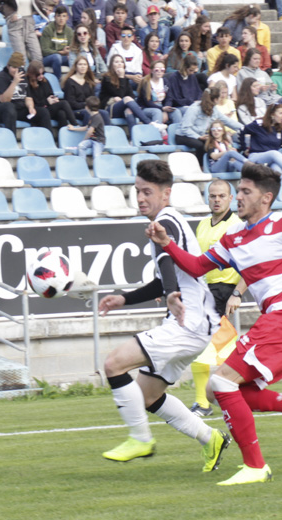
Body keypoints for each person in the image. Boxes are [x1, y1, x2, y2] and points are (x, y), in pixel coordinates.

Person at [145, 162, 282, 485]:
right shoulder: (235, 235)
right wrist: (168, 243)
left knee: (223, 383)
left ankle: (255, 466)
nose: (237, 196)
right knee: (215, 389)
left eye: (244, 191)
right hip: (276, 321)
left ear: (266, 198)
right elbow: (197, 267)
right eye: (238, 190)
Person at [97, 159, 233, 471]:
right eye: (137, 191)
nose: (141, 197)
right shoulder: (169, 223)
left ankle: (140, 439)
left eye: (147, 191)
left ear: (165, 194)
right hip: (194, 323)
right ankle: (211, 439)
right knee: (147, 395)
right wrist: (125, 298)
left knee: (113, 364)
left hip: (188, 322)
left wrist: (172, 294)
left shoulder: (165, 223)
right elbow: (163, 274)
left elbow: (166, 262)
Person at [188, 179, 246, 416]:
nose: (217, 200)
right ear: (207, 198)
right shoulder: (202, 225)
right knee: (208, 347)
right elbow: (193, 261)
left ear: (231, 198)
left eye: (222, 196)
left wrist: (237, 293)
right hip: (204, 290)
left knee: (203, 346)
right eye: (213, 196)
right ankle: (221, 396)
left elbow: (250, 264)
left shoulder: (237, 226)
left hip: (224, 291)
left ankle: (205, 402)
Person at [0, 52, 52, 132]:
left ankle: (48, 140)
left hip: (18, 109)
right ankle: (11, 140)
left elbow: (28, 97)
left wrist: (31, 107)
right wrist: (14, 82)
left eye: (19, 68)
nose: (16, 71)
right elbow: (4, 100)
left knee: (43, 112)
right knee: (9, 106)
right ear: (8, 66)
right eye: (14, 67)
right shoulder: (0, 78)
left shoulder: (23, 76)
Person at [176, 84, 243, 160]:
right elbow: (185, 128)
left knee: (212, 141)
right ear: (216, 99)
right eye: (219, 97)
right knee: (201, 145)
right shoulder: (194, 109)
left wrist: (245, 128)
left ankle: (214, 161)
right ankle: (201, 166)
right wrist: (198, 137)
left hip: (200, 135)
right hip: (183, 135)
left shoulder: (214, 109)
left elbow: (227, 121)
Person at [100, 54, 154, 126]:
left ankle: (133, 135)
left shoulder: (125, 79)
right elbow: (120, 94)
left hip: (123, 107)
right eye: (116, 62)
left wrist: (123, 100)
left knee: (129, 111)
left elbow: (131, 95)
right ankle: (149, 123)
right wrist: (121, 77)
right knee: (127, 99)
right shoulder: (107, 78)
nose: (119, 64)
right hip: (110, 108)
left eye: (121, 62)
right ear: (112, 65)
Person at [27, 60, 79, 134]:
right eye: (38, 74)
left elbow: (50, 94)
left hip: (47, 107)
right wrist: (47, 101)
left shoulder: (44, 81)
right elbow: (33, 104)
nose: (41, 76)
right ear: (32, 74)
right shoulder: (28, 84)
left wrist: (54, 99)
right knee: (64, 103)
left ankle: (62, 137)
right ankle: (75, 124)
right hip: (37, 111)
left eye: (43, 73)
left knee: (61, 113)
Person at [62, 56, 110, 125]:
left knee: (104, 113)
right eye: (80, 64)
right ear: (76, 66)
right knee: (87, 113)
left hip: (89, 108)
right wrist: (85, 105)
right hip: (75, 111)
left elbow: (93, 99)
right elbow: (70, 103)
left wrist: (89, 106)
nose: (83, 66)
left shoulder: (89, 82)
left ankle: (106, 134)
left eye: (85, 64)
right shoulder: (69, 82)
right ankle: (86, 134)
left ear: (87, 67)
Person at [138, 60, 181, 125]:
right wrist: (162, 109)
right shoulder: (146, 82)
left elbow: (169, 97)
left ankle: (178, 132)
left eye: (162, 70)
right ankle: (158, 132)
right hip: (146, 108)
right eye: (157, 70)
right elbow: (147, 102)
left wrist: (167, 108)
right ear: (152, 70)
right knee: (157, 112)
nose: (159, 72)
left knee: (176, 111)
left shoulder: (165, 81)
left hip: (162, 107)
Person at [40, 6, 74, 81]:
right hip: (48, 58)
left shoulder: (69, 31)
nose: (61, 18)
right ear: (55, 17)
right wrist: (61, 52)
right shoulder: (48, 29)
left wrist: (69, 51)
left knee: (75, 58)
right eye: (59, 16)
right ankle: (58, 81)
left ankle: (72, 82)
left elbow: (72, 48)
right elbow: (45, 50)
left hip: (63, 57)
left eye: (64, 16)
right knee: (56, 57)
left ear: (67, 18)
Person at [165, 53, 203, 119]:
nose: (192, 72)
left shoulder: (192, 76)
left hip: (192, 105)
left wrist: (198, 101)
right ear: (184, 67)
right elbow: (176, 99)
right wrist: (191, 102)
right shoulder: (174, 78)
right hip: (180, 106)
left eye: (194, 71)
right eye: (190, 70)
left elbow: (198, 92)